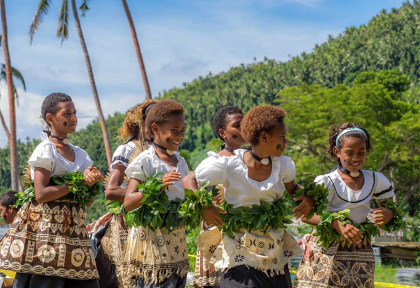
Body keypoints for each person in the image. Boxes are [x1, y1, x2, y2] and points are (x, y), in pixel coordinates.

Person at [183, 105, 315, 288]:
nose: (285, 143)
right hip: (239, 248)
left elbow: (294, 190)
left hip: (273, 248)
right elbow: (189, 180)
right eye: (282, 137)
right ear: (264, 137)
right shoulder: (229, 164)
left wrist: (308, 198)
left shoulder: (282, 165)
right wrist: (204, 206)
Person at [0, 92, 103, 288]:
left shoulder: (81, 155)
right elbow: (41, 194)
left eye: (74, 112)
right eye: (67, 114)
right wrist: (77, 183)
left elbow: (87, 201)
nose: (73, 118)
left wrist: (91, 182)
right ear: (50, 118)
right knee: (47, 281)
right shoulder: (46, 150)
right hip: (47, 234)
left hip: (75, 236)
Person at [294, 122, 397, 288]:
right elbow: (306, 215)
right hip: (326, 249)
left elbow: (391, 210)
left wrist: (389, 214)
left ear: (367, 152)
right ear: (337, 152)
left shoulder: (376, 179)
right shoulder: (326, 181)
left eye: (361, 152)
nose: (355, 158)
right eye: (349, 153)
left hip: (359, 249)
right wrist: (336, 224)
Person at [123, 99, 190, 288]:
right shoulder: (146, 160)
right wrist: (157, 186)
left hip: (177, 242)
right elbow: (129, 202)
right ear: (155, 129)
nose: (179, 135)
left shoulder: (180, 161)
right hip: (153, 245)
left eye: (182, 130)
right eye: (174, 130)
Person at [93, 100, 158, 288]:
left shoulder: (162, 152)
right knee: (129, 280)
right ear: (142, 123)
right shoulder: (128, 149)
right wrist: (147, 196)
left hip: (153, 225)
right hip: (128, 226)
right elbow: (111, 190)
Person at [191, 106, 245, 288]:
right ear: (223, 133)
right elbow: (190, 182)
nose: (243, 129)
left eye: (245, 124)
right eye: (237, 125)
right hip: (218, 236)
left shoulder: (252, 160)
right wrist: (205, 207)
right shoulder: (215, 161)